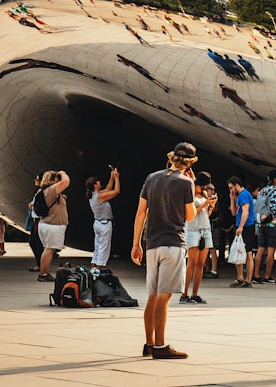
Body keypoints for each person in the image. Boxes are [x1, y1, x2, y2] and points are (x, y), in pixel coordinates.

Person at [131, 142, 197, 359]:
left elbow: (141, 212)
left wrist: (136, 243)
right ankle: (160, 346)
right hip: (173, 243)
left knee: (152, 295)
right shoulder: (186, 183)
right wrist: (192, 188)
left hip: (152, 244)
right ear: (189, 163)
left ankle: (149, 343)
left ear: (172, 158)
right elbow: (190, 216)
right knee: (163, 296)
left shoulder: (152, 178)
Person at [182, 171, 216, 304]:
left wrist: (211, 205)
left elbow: (206, 214)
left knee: (201, 264)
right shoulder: (190, 195)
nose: (204, 188)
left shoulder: (204, 194)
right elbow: (190, 214)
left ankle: (195, 293)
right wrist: (205, 204)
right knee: (192, 263)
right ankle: (184, 293)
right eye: (202, 186)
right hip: (193, 229)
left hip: (205, 228)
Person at [37, 170, 71, 282]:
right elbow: (66, 181)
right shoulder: (52, 189)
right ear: (54, 180)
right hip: (52, 225)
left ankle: (43, 272)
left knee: (48, 250)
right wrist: (63, 173)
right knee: (49, 250)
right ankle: (43, 274)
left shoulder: (47, 191)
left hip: (47, 224)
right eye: (57, 178)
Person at [86, 167, 121, 269]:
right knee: (104, 247)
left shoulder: (94, 195)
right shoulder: (99, 196)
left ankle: (94, 266)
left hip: (97, 223)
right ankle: (99, 268)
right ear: (95, 185)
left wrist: (112, 177)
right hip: (104, 223)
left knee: (97, 246)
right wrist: (117, 178)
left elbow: (108, 189)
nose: (100, 183)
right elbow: (116, 191)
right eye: (98, 182)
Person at [227, 176, 257, 287]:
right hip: (243, 225)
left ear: (236, 185)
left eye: (231, 187)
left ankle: (245, 278)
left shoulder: (244, 195)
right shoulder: (240, 196)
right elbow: (234, 213)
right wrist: (232, 198)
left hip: (245, 226)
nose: (230, 190)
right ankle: (243, 278)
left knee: (245, 251)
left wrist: (240, 227)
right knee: (242, 251)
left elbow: (245, 211)